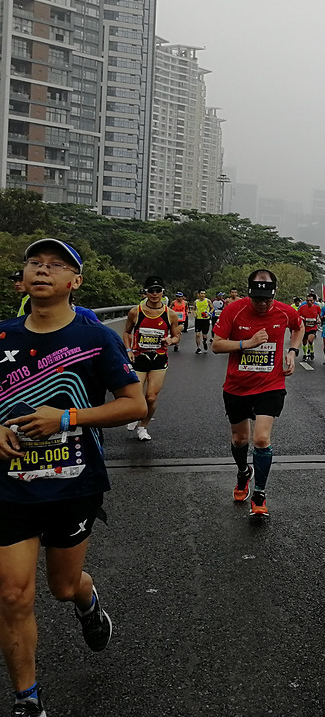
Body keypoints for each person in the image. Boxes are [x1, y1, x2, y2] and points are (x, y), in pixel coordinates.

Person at [0, 238, 145, 717]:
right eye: (34, 264)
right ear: (21, 280)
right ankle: (27, 700)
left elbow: (134, 404)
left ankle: (86, 601)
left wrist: (66, 419)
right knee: (13, 593)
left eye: (56, 265)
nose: (43, 270)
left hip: (73, 484)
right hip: (10, 487)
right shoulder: (1, 338)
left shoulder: (96, 338)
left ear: (74, 282)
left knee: (61, 586)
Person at [212, 270, 302, 517]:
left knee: (261, 439)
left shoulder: (284, 311)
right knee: (240, 439)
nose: (262, 304)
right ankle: (243, 472)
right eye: (257, 299)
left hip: (270, 385)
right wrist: (245, 343)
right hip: (237, 387)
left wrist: (292, 351)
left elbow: (299, 327)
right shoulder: (235, 310)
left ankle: (259, 494)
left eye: (267, 300)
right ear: (249, 292)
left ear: (275, 294)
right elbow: (216, 344)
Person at [122, 276, 181, 442]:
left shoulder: (170, 314)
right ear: (145, 293)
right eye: (151, 291)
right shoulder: (135, 312)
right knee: (135, 394)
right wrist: (128, 349)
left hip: (158, 359)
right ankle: (136, 413)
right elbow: (127, 332)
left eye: (158, 290)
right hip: (139, 358)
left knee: (151, 397)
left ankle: (143, 426)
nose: (155, 294)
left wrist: (170, 340)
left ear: (163, 292)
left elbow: (177, 336)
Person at [296, 293, 322, 363]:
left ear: (314, 301)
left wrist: (319, 319)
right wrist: (301, 318)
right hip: (304, 327)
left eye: (311, 300)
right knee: (304, 342)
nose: (309, 302)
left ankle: (312, 351)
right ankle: (305, 354)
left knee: (310, 340)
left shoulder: (317, 307)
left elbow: (320, 315)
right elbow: (297, 315)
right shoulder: (302, 308)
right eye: (308, 301)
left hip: (313, 327)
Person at [192, 290, 213, 354]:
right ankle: (198, 348)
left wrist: (209, 313)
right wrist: (194, 314)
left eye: (204, 293)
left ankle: (204, 341)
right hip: (198, 319)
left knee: (204, 335)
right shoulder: (196, 302)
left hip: (206, 319)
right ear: (198, 294)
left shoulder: (208, 301)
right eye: (201, 293)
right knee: (197, 334)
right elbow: (194, 309)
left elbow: (212, 308)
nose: (203, 295)